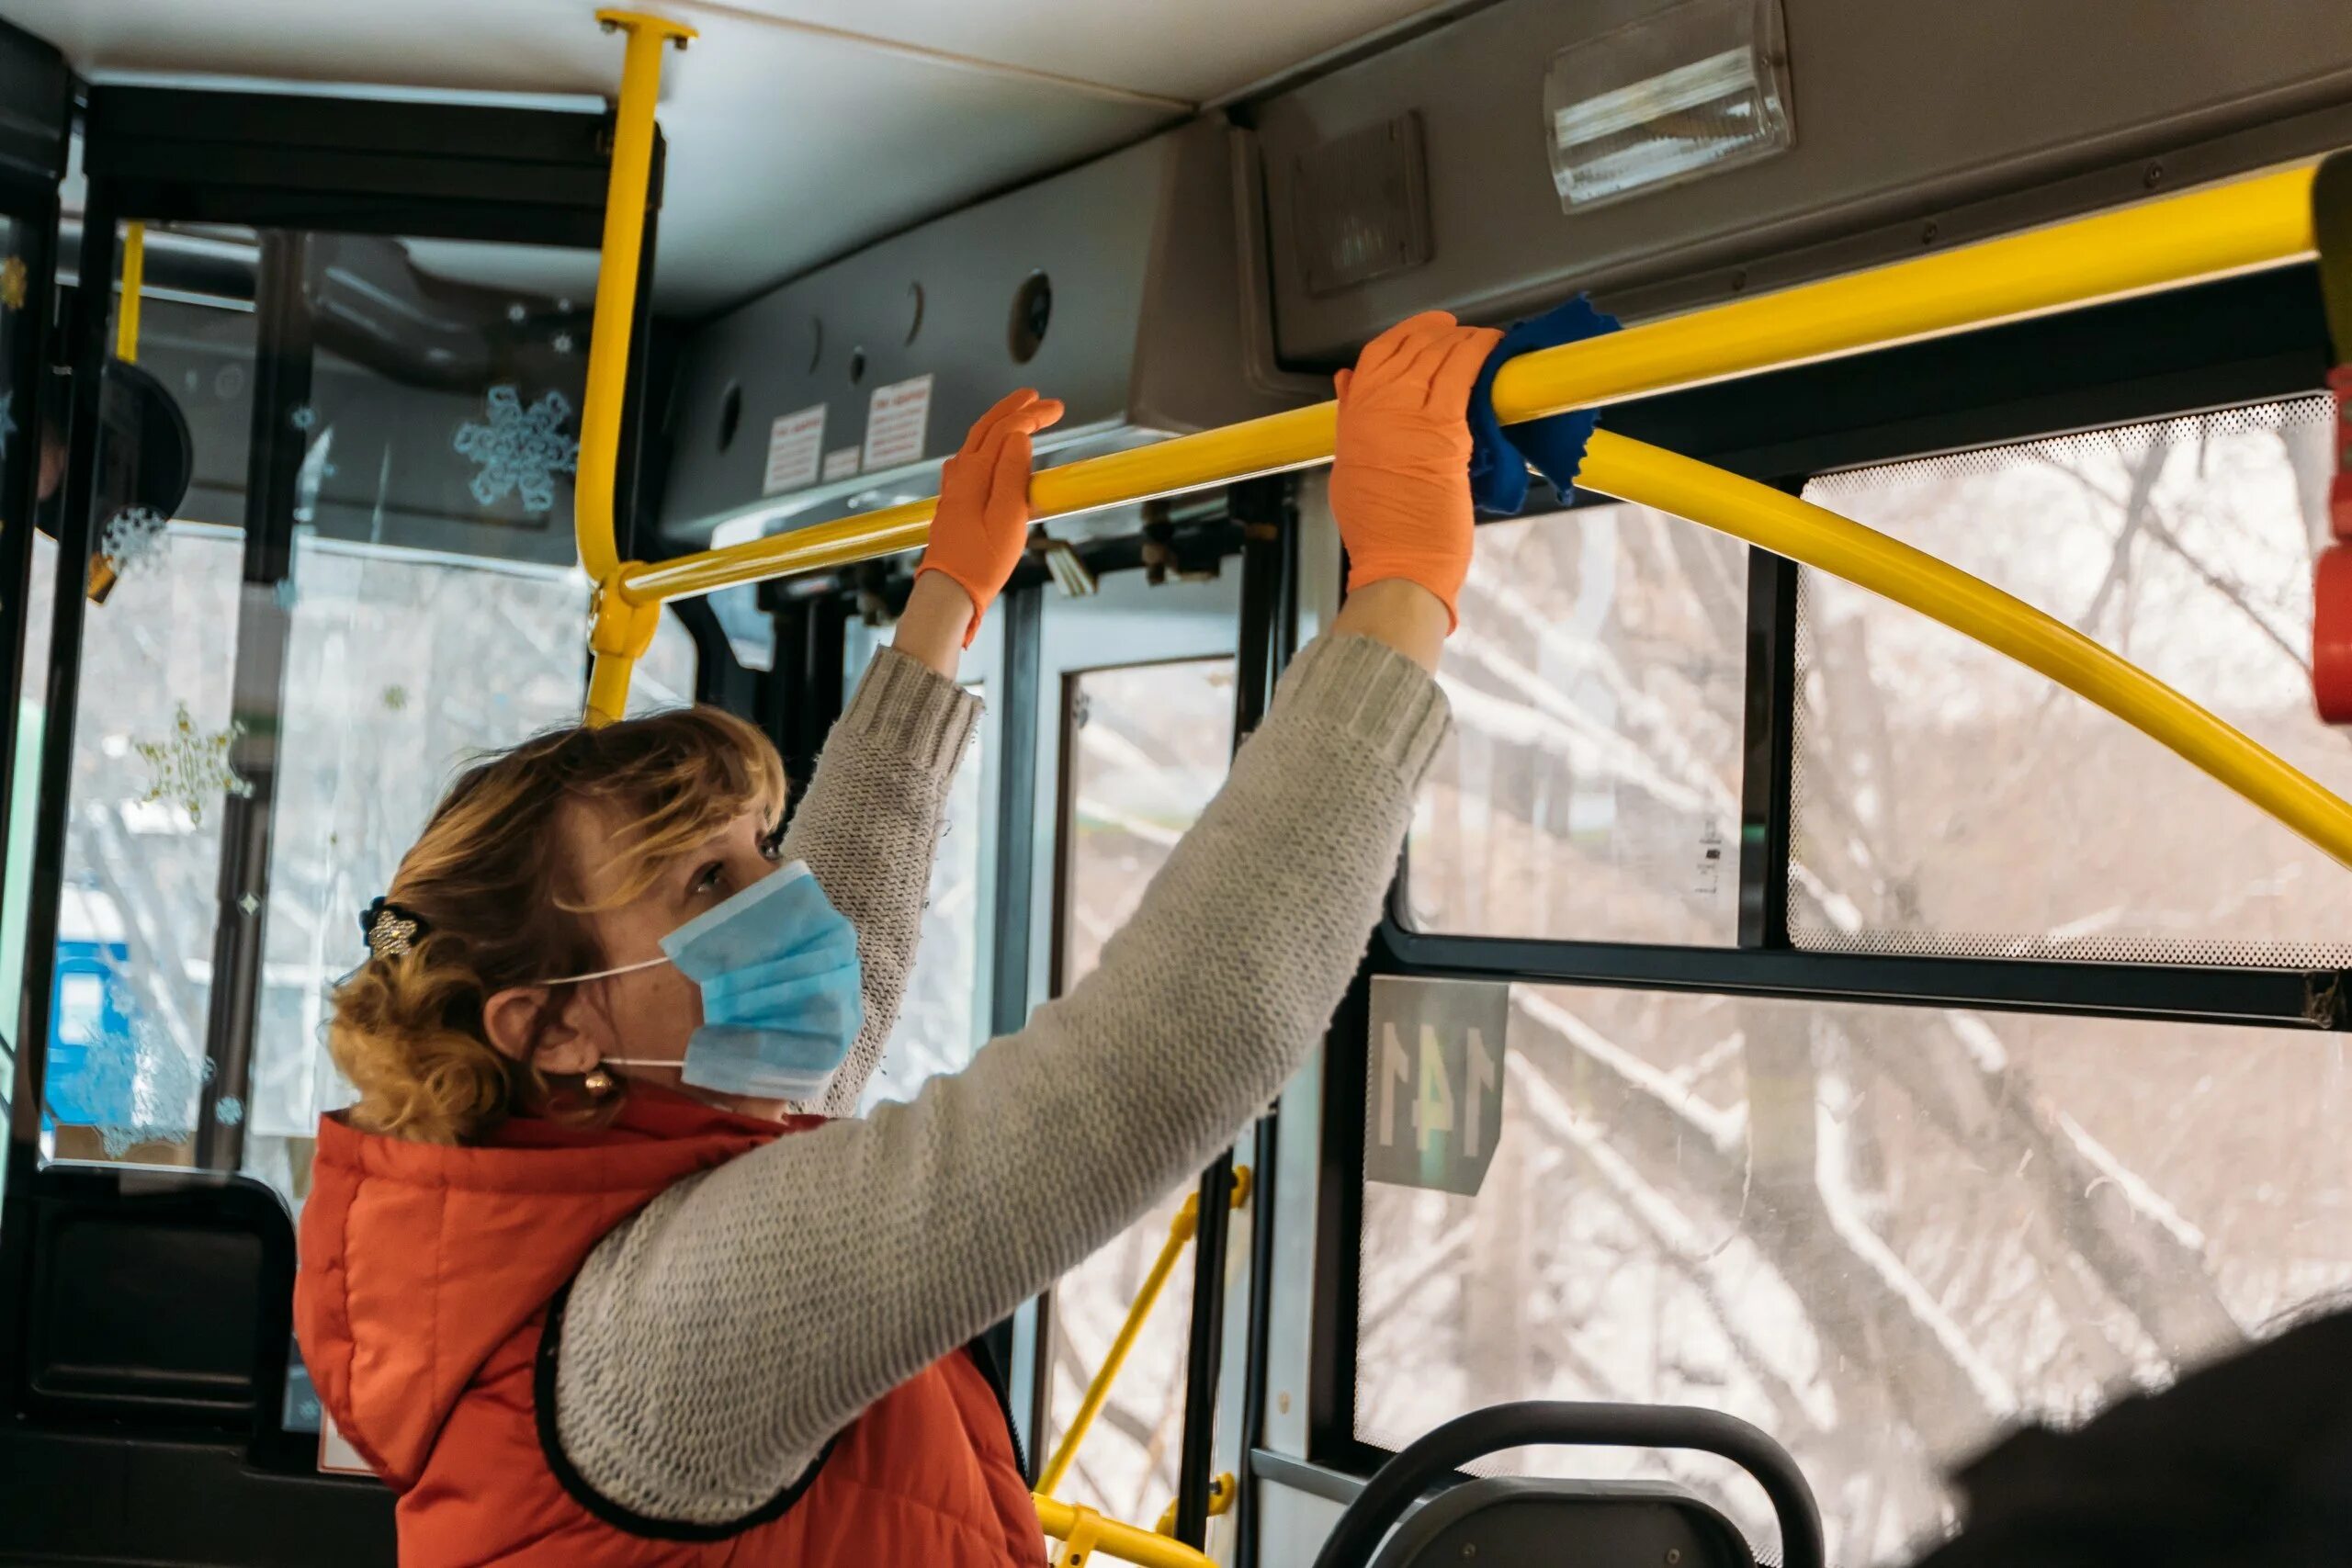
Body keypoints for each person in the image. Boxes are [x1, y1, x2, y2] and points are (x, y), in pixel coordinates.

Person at [292, 310, 1502, 1565]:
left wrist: (945, 603)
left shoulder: (572, 1208)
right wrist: (1401, 593)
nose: (788, 899)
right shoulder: (658, 1338)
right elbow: (1160, 1066)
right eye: (708, 882)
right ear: (552, 1024)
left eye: (764, 844)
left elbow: (843, 1000)